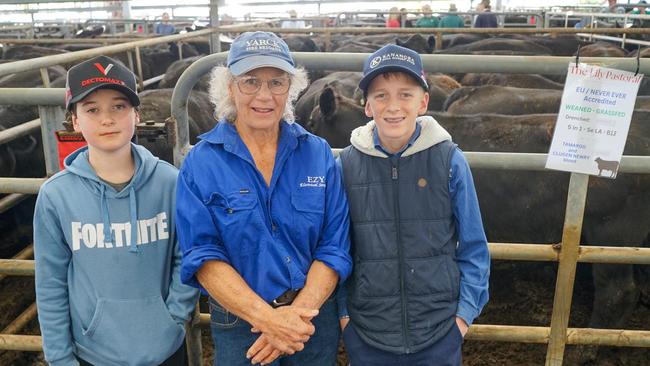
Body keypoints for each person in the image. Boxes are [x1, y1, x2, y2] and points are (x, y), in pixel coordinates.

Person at [176, 31, 352, 366]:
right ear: (229, 87)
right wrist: (268, 320)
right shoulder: (201, 162)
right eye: (250, 81)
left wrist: (294, 318)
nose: (265, 95)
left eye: (276, 82)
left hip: (310, 319)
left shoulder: (317, 154)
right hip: (241, 321)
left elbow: (334, 246)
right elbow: (202, 254)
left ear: (291, 88)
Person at [34, 55, 199, 366]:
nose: (106, 119)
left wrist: (173, 318)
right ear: (75, 121)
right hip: (92, 354)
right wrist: (59, 358)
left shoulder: (170, 182)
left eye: (119, 106)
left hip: (164, 348)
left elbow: (186, 257)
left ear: (136, 115)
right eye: (92, 109)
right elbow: (50, 282)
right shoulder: (56, 195)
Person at [338, 44, 491, 365]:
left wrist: (462, 316)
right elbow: (337, 247)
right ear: (366, 105)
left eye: (405, 94)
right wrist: (344, 317)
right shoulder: (347, 164)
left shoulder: (449, 159)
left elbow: (474, 245)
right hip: (367, 331)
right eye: (381, 95)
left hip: (438, 330)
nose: (393, 106)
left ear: (423, 102)